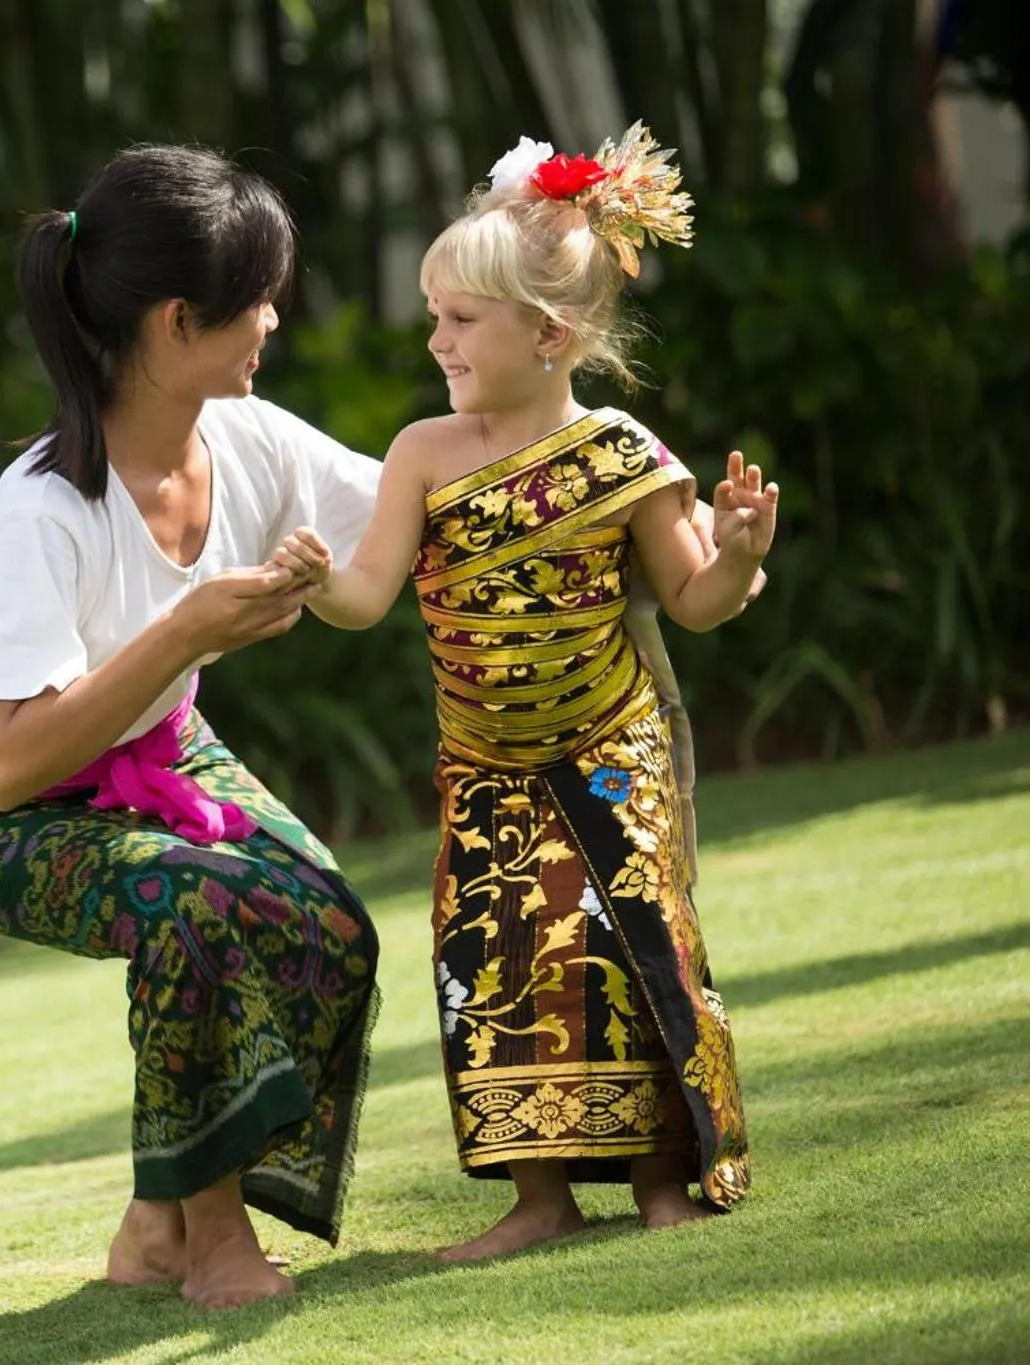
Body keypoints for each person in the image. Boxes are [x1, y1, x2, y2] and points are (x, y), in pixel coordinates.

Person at [268, 123, 769, 1261]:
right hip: (485, 767)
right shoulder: (421, 453)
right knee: (495, 957)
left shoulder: (621, 455)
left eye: (457, 320)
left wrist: (737, 552)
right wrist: (314, 581)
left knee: (631, 948)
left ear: (547, 334)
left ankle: (661, 1178)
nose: (434, 339)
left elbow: (695, 601)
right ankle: (538, 1198)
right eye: (433, 315)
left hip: (610, 749)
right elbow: (367, 596)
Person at [0, 145, 385, 1310]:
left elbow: (407, 510)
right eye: (256, 299)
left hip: (166, 756)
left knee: (327, 923)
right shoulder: (41, 508)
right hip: (0, 815)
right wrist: (182, 634)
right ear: (177, 322)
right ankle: (211, 1241)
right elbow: (5, 765)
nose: (272, 320)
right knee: (197, 905)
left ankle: (154, 1221)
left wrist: (582, 468)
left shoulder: (250, 438)